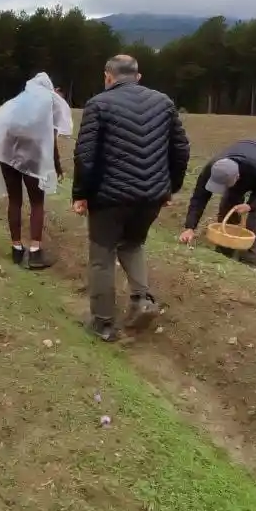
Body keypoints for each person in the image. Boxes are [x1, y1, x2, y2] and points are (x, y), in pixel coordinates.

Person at [72, 55, 190, 342]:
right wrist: (169, 189)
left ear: (108, 77)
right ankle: (142, 299)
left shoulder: (98, 104)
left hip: (109, 198)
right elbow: (181, 150)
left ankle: (103, 323)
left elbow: (85, 156)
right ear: (138, 76)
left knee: (102, 257)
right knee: (133, 244)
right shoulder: (164, 103)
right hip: (151, 196)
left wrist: (81, 194)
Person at [0, 71, 71, 269]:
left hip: (8, 157)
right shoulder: (46, 109)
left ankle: (16, 249)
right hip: (33, 159)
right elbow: (51, 142)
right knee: (37, 203)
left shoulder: (15, 104)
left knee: (14, 201)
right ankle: (35, 252)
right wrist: (56, 166)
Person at [180, 138, 256, 265]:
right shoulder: (212, 167)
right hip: (247, 155)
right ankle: (225, 247)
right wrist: (190, 227)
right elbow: (199, 197)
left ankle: (249, 254)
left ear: (237, 177)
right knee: (229, 200)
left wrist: (250, 205)